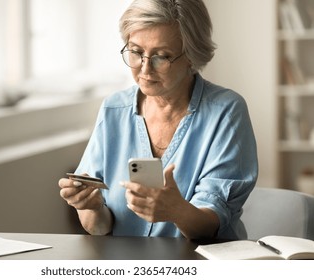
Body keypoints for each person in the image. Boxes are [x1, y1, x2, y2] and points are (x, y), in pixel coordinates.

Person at [58, 0, 258, 240]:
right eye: (135, 52)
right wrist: (89, 206)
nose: (145, 69)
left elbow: (212, 226)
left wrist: (177, 211)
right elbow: (99, 228)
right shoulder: (114, 109)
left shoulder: (226, 111)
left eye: (161, 56)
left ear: (192, 57)